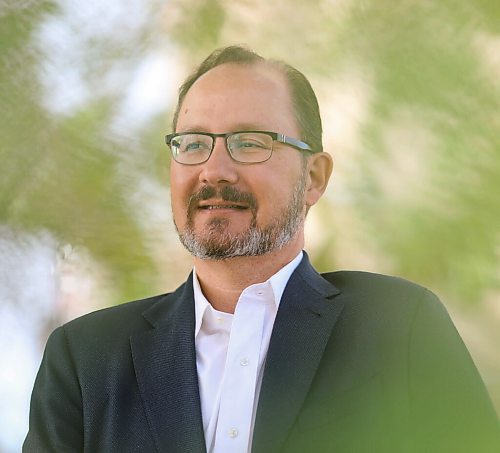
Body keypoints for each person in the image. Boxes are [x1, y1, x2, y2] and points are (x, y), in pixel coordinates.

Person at [24, 45, 499, 453]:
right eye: (192, 144)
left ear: (313, 178)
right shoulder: (86, 359)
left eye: (249, 143)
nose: (214, 170)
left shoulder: (399, 327)